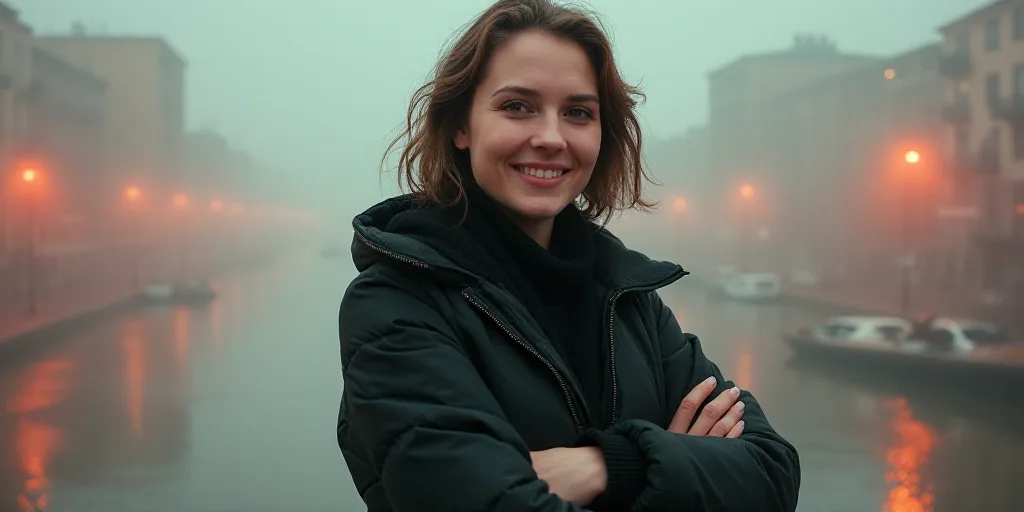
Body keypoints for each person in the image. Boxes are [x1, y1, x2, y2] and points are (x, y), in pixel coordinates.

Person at [336, 0, 801, 510]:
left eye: (578, 112)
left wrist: (606, 464)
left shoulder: (629, 299)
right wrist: (679, 460)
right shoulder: (395, 303)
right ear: (460, 126)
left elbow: (771, 473)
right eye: (517, 106)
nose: (551, 138)